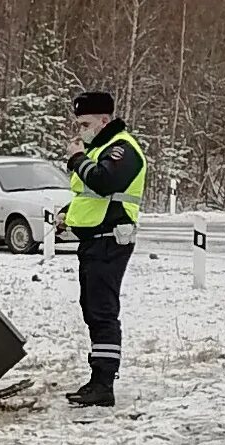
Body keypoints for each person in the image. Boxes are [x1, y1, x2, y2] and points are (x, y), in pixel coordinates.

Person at [61, 90, 147, 408]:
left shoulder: (123, 149)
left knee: (103, 312)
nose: (80, 129)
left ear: (104, 120)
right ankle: (97, 380)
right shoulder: (101, 150)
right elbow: (92, 196)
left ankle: (104, 384)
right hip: (95, 240)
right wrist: (67, 215)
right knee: (93, 310)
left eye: (85, 123)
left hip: (112, 239)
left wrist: (76, 159)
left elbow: (104, 182)